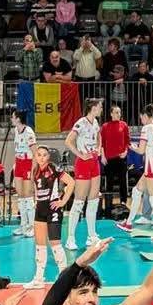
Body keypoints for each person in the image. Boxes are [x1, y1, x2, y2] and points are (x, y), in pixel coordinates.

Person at [27, 145, 77, 288]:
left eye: (44, 155)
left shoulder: (54, 168)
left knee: (55, 244)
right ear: (35, 157)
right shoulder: (35, 170)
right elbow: (35, 189)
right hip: (40, 210)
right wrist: (35, 201)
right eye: (39, 155)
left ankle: (64, 277)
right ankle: (38, 279)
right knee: (40, 246)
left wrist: (63, 201)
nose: (42, 158)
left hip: (53, 209)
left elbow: (71, 182)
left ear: (48, 157)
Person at [122, 105, 153, 241]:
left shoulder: (147, 128)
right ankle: (129, 223)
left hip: (152, 166)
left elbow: (141, 151)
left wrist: (131, 146)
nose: (141, 119)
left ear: (146, 116)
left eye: (141, 117)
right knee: (137, 191)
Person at [65, 99, 106, 252]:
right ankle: (70, 238)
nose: (101, 109)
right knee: (79, 202)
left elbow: (98, 137)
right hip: (83, 164)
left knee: (94, 200)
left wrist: (99, 148)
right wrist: (80, 155)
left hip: (94, 163)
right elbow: (68, 141)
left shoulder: (95, 122)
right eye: (100, 107)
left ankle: (91, 235)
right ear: (93, 108)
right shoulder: (81, 123)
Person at [11, 110, 39, 236]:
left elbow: (35, 153)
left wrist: (32, 171)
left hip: (28, 164)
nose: (11, 119)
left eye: (13, 117)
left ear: (18, 118)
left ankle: (32, 226)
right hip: (19, 163)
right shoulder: (16, 130)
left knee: (28, 195)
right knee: (21, 195)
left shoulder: (29, 132)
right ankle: (23, 226)